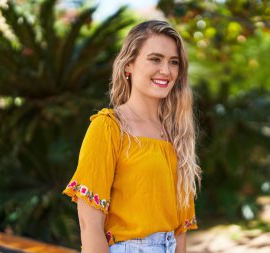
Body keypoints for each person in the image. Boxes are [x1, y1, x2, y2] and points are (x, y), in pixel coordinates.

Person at [62, 20, 201, 253]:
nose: (166, 71)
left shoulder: (177, 134)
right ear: (129, 65)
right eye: (155, 59)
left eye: (173, 62)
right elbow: (89, 224)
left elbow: (180, 229)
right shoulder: (109, 127)